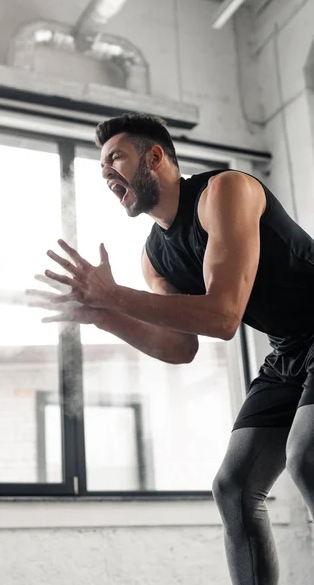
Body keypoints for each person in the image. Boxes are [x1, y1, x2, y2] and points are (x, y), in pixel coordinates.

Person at [35, 112, 314, 585]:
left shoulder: (225, 191)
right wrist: (108, 316)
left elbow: (224, 317)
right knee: (233, 488)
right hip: (288, 349)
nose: (105, 173)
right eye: (101, 168)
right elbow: (180, 347)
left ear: (156, 157)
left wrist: (114, 296)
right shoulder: (153, 255)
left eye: (115, 158)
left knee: (306, 455)